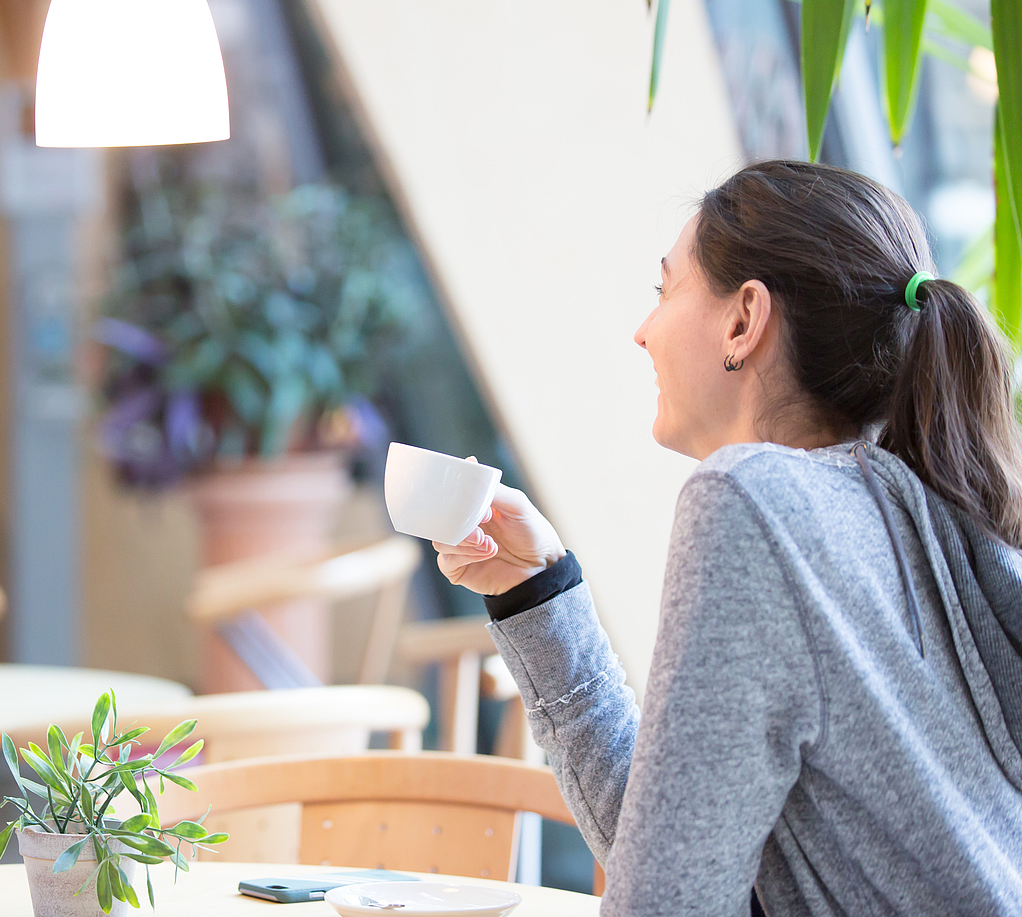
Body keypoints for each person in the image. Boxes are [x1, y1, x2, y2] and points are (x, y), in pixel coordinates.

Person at [434, 161, 1022, 916]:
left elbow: (664, 905)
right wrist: (537, 592)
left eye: (664, 289)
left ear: (744, 320)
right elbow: (679, 854)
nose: (642, 331)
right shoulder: (924, 506)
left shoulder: (754, 500)